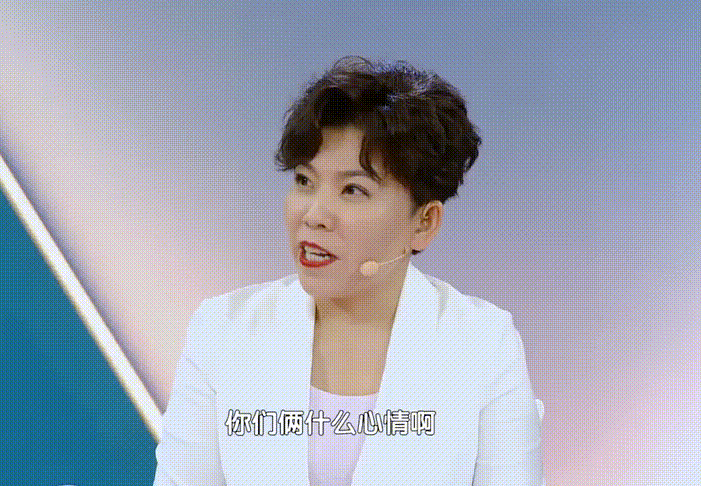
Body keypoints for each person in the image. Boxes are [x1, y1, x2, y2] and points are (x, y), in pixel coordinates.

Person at [153, 56, 542, 485]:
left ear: (424, 223)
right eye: (304, 181)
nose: (314, 215)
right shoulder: (222, 331)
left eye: (353, 190)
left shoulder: (483, 346)